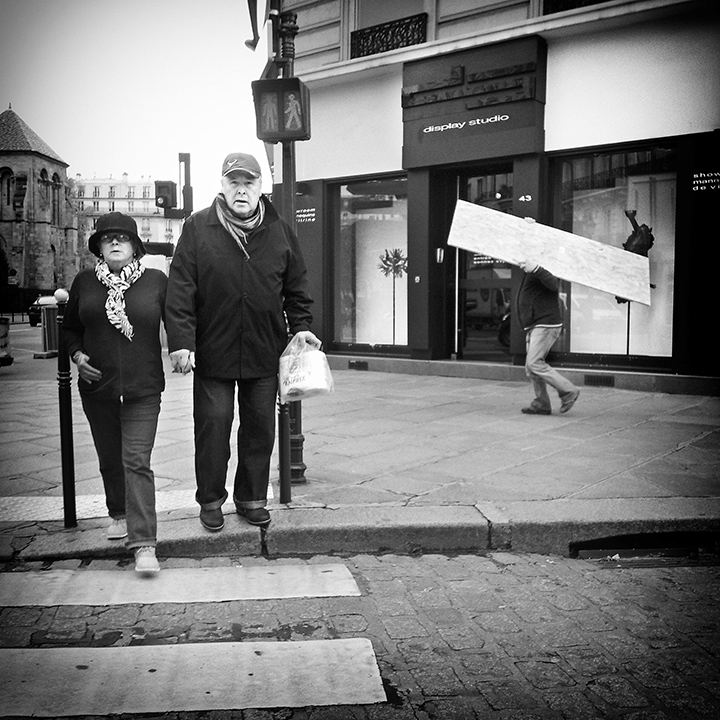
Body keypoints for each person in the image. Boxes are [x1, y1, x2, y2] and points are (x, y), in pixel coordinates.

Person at [165, 152, 320, 532]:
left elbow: (296, 288)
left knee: (259, 429)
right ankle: (211, 500)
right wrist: (182, 341)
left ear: (260, 187)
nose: (241, 190)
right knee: (213, 426)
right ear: (221, 185)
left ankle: (251, 499)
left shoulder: (280, 230)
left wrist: (300, 327)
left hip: (263, 350)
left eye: (248, 183)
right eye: (233, 182)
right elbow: (181, 288)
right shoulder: (198, 227)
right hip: (213, 350)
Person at [63, 212, 166, 574]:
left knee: (135, 461)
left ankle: (143, 544)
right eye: (109, 239)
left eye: (123, 238)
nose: (116, 243)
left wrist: (186, 347)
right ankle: (118, 513)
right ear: (100, 248)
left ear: (136, 246)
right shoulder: (85, 283)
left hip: (143, 387)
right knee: (109, 456)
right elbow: (70, 328)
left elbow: (180, 319)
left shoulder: (156, 281)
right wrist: (77, 355)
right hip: (97, 387)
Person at [515, 258, 580, 415]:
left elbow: (553, 284)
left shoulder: (545, 264)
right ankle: (542, 403)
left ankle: (569, 391)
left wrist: (536, 268)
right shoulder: (534, 267)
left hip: (545, 325)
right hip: (536, 325)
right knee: (532, 369)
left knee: (534, 363)